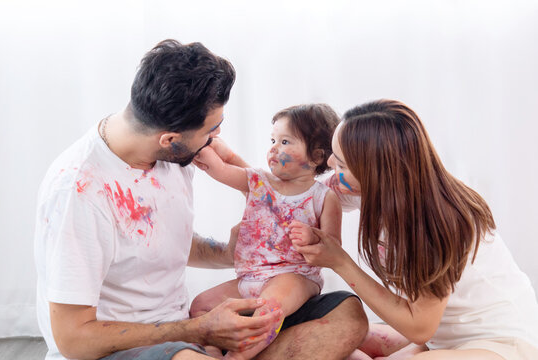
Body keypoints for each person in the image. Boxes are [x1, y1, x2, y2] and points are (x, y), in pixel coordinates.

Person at [34, 39, 368, 360]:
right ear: (170, 139)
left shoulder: (173, 155)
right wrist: (199, 330)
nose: (216, 138)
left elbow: (150, 240)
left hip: (186, 329)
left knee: (348, 315)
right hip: (122, 346)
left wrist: (230, 252)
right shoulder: (80, 192)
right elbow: (73, 338)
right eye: (211, 129)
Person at [289, 99, 538, 360]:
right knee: (337, 337)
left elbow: (419, 328)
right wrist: (251, 177)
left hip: (500, 345)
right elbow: (297, 198)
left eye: (341, 165)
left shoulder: (437, 223)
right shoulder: (377, 188)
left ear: (375, 172)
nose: (329, 164)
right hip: (441, 338)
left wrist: (340, 262)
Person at [190, 104, 343, 359]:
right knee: (200, 306)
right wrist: (204, 149)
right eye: (273, 140)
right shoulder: (258, 181)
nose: (273, 148)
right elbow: (222, 170)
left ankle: (238, 357)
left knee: (269, 310)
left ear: (316, 157)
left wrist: (313, 237)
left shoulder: (323, 197)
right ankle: (212, 352)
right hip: (250, 277)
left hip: (294, 276)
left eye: (285, 141)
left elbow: (334, 248)